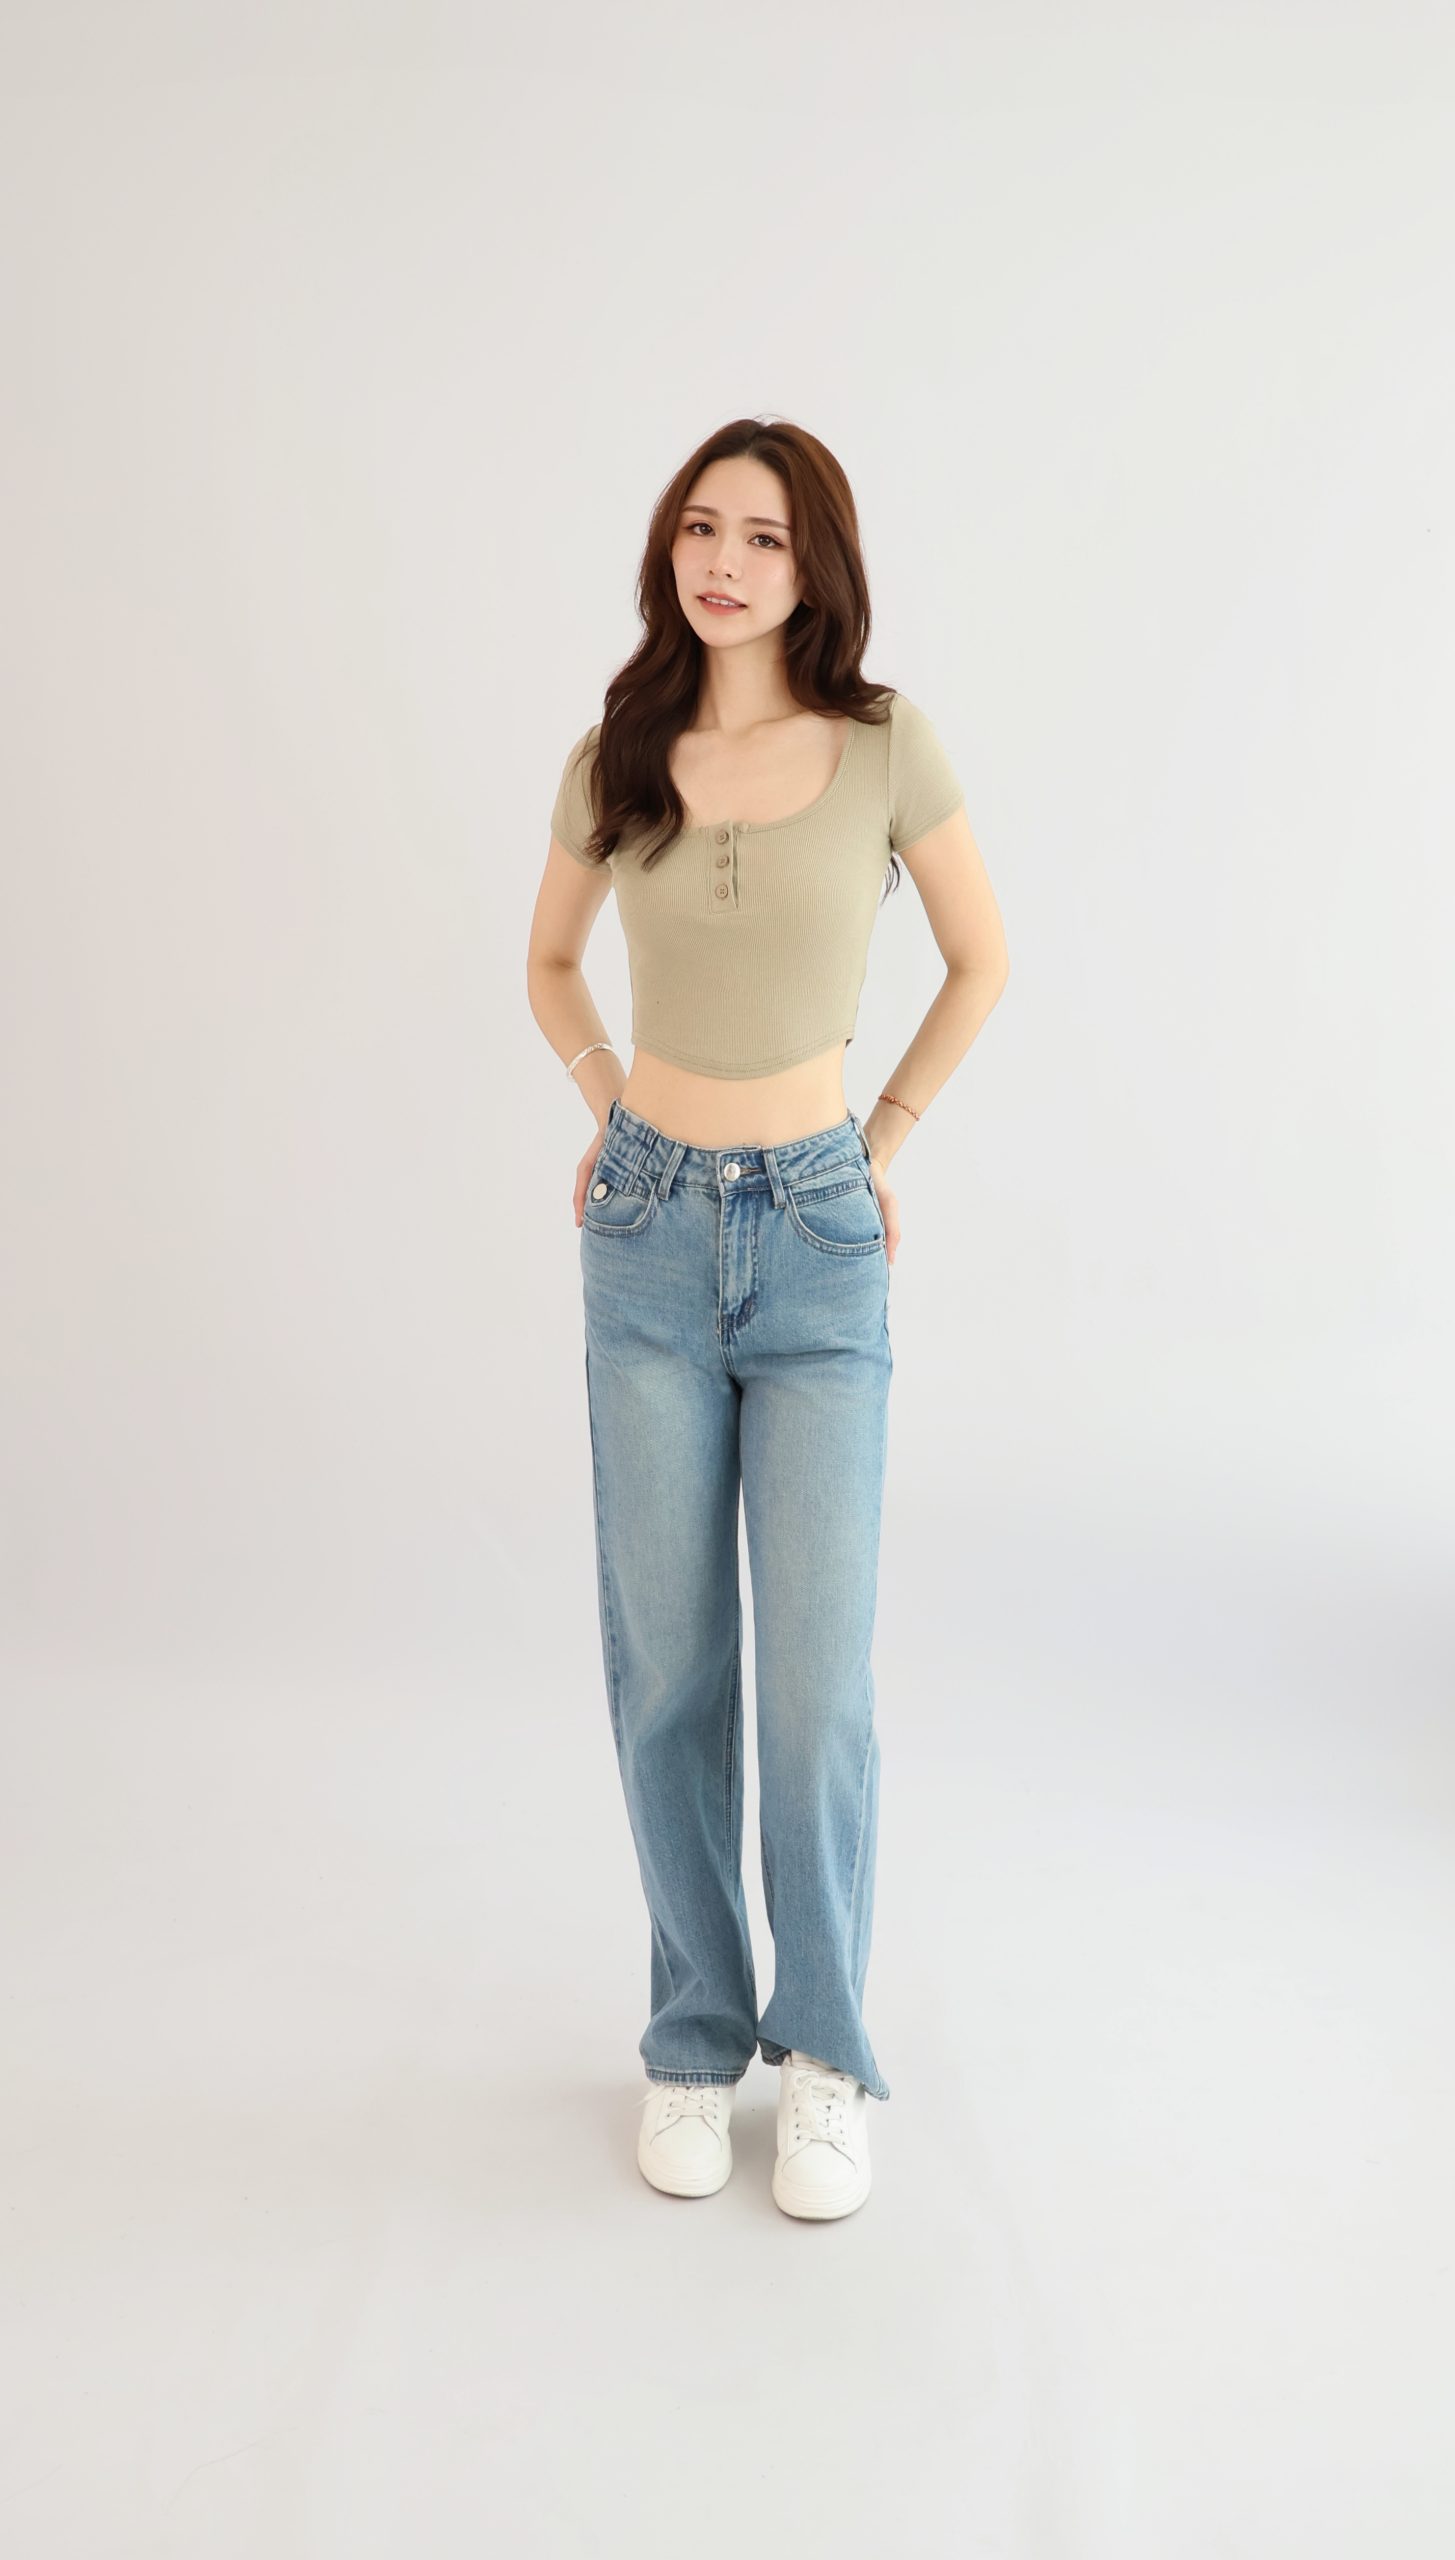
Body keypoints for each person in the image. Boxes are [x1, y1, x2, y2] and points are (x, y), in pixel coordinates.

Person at [526, 416, 1009, 2220]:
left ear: (817, 571)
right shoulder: (618, 752)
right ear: (670, 549)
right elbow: (548, 958)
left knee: (814, 1692)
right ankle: (691, 2036)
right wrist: (604, 1101)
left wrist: (877, 1142)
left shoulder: (886, 745)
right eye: (701, 529)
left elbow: (984, 958)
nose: (725, 562)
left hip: (817, 1236)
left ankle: (822, 2056)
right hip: (647, 1235)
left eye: (766, 538)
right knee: (668, 1674)